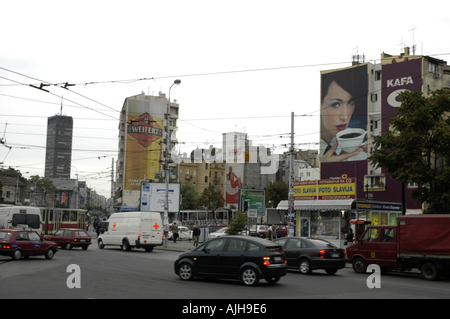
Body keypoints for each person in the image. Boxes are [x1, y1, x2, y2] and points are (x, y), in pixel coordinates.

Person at [320, 68, 368, 162]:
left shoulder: (359, 145)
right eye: (336, 104)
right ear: (320, 105)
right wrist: (325, 164)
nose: (345, 116)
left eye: (350, 103)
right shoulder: (319, 151)